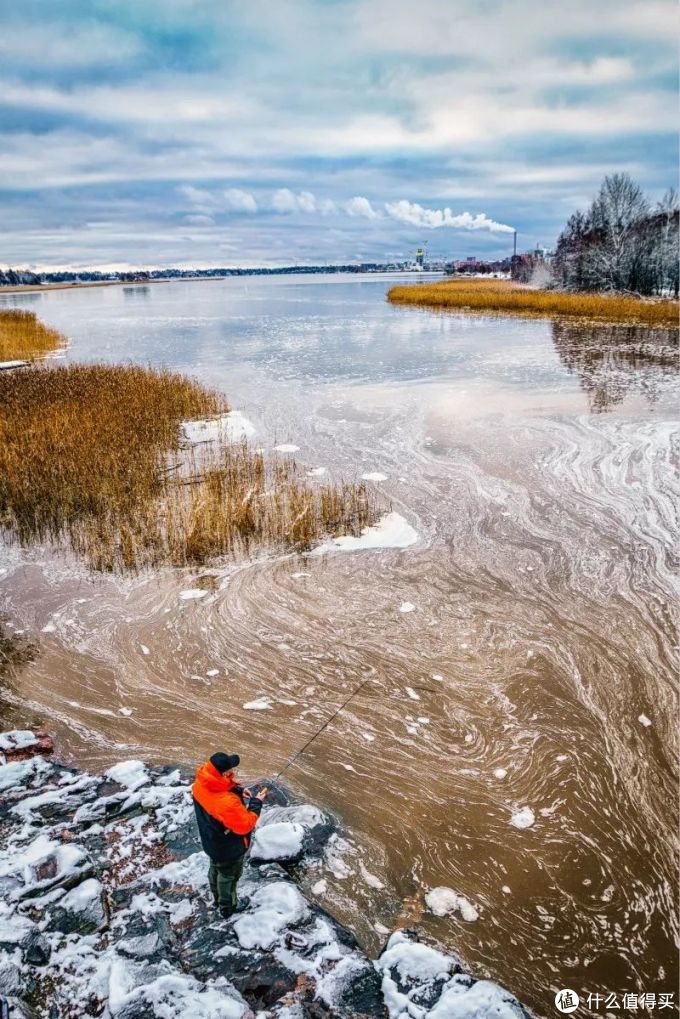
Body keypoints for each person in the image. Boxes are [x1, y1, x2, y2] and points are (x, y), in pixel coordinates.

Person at [192, 751, 267, 918]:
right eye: (230, 770)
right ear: (224, 773)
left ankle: (216, 897)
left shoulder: (199, 784)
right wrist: (256, 803)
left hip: (211, 841)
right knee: (229, 876)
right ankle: (228, 907)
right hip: (228, 848)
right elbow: (245, 825)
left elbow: (217, 792)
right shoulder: (227, 803)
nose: (233, 772)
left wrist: (237, 790)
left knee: (215, 868)